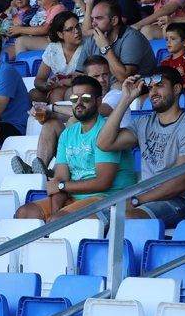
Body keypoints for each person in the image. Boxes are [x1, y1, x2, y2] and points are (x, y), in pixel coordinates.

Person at [96, 67, 185, 227]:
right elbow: (104, 143)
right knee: (91, 220)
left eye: (160, 85)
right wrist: (125, 100)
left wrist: (137, 200)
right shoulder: (144, 122)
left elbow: (180, 182)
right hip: (143, 198)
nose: (153, 92)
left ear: (177, 89)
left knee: (126, 219)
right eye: (150, 88)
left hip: (179, 202)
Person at [15, 75, 135, 222]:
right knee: (25, 213)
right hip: (74, 196)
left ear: (98, 101)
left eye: (85, 98)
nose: (78, 102)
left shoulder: (106, 132)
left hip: (108, 198)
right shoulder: (68, 133)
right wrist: (54, 210)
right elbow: (60, 178)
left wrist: (61, 186)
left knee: (58, 220)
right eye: (74, 98)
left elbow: (103, 182)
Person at [75, 0, 156, 85]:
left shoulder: (132, 38)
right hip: (102, 88)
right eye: (92, 19)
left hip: (135, 88)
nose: (93, 23)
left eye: (99, 18)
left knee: (117, 87)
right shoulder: (92, 39)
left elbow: (123, 78)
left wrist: (104, 48)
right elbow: (79, 74)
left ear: (114, 20)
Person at [32, 11, 83, 103]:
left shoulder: (87, 47)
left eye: (78, 26)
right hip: (56, 87)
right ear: (60, 34)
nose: (77, 31)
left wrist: (61, 83)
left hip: (79, 88)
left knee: (58, 94)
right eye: (70, 29)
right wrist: (46, 85)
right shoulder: (53, 48)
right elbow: (39, 80)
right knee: (34, 94)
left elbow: (83, 78)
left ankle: (56, 114)